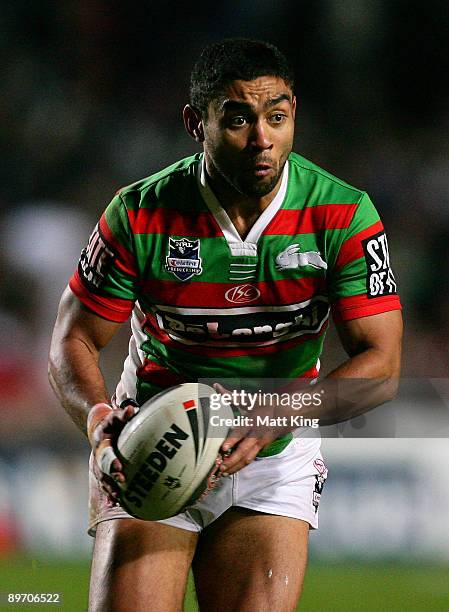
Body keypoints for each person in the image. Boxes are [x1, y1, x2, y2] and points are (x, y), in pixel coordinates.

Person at [49, 39, 402, 611]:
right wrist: (96, 422)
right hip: (155, 443)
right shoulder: (139, 212)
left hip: (272, 454)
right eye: (238, 118)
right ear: (197, 122)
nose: (262, 139)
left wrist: (270, 417)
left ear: (294, 116)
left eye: (277, 117)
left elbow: (381, 368)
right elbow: (73, 340)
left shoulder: (343, 214)